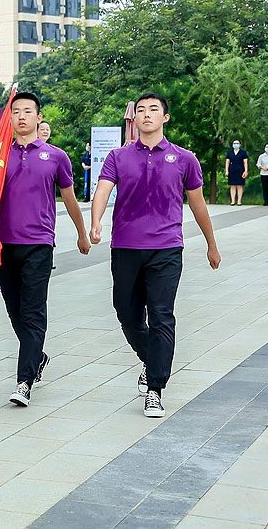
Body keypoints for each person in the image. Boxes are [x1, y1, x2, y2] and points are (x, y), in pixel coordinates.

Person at [91, 92, 221, 418]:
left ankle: (155, 388)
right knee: (127, 314)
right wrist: (95, 223)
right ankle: (153, 360)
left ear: (165, 117)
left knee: (162, 315)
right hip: (125, 248)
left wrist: (211, 244)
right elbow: (103, 191)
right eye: (140, 110)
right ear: (134, 118)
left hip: (166, 249)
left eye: (153, 109)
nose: (146, 114)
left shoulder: (185, 159)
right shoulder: (118, 157)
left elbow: (198, 204)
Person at [0, 92, 91, 407]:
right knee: (15, 311)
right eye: (16, 112)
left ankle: (24, 381)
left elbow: (69, 199)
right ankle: (36, 356)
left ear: (39, 118)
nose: (21, 116)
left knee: (33, 311)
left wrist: (82, 233)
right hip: (3, 244)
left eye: (28, 111)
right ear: (9, 119)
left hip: (39, 244)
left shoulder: (55, 156)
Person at [225, 140, 248, 206]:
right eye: (234, 143)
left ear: (240, 144)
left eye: (237, 143)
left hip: (240, 170)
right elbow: (227, 162)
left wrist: (246, 171)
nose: (236, 144)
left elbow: (245, 162)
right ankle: (232, 201)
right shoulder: (230, 153)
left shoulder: (243, 153)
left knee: (240, 185)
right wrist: (227, 170)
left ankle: (239, 201)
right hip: (232, 170)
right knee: (232, 186)